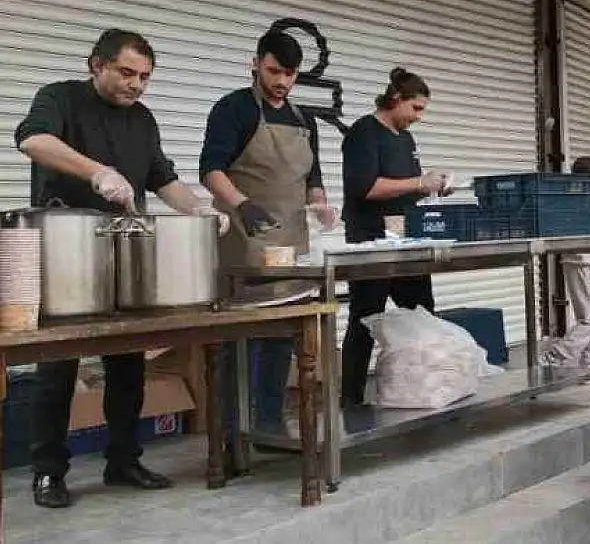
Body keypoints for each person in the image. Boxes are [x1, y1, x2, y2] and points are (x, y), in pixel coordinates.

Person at [16, 29, 228, 508]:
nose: (136, 85)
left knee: (128, 358)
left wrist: (198, 210)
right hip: (64, 246)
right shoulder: (60, 99)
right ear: (97, 65)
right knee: (58, 363)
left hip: (123, 247)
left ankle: (123, 460)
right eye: (127, 73)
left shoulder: (143, 120)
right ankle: (48, 472)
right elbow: (32, 141)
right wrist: (96, 171)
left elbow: (162, 178)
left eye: (145, 78)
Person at [201, 29, 335, 439]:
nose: (281, 81)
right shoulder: (233, 109)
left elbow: (312, 175)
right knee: (239, 337)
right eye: (275, 71)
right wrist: (241, 203)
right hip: (243, 237)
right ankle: (231, 433)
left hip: (290, 241)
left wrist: (320, 203)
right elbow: (210, 169)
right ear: (256, 63)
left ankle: (270, 424)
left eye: (290, 74)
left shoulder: (303, 119)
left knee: (283, 332)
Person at [340, 67, 451, 406]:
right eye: (415, 109)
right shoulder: (364, 132)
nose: (418, 117)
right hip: (371, 237)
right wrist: (419, 183)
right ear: (395, 99)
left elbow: (407, 188)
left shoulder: (406, 139)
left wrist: (433, 188)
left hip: (407, 239)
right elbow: (366, 187)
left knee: (421, 314)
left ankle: (424, 389)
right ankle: (351, 400)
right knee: (365, 318)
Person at [542, 156, 590, 369]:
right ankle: (555, 356)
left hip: (578, 260)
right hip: (583, 261)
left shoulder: (570, 195)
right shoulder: (583, 197)